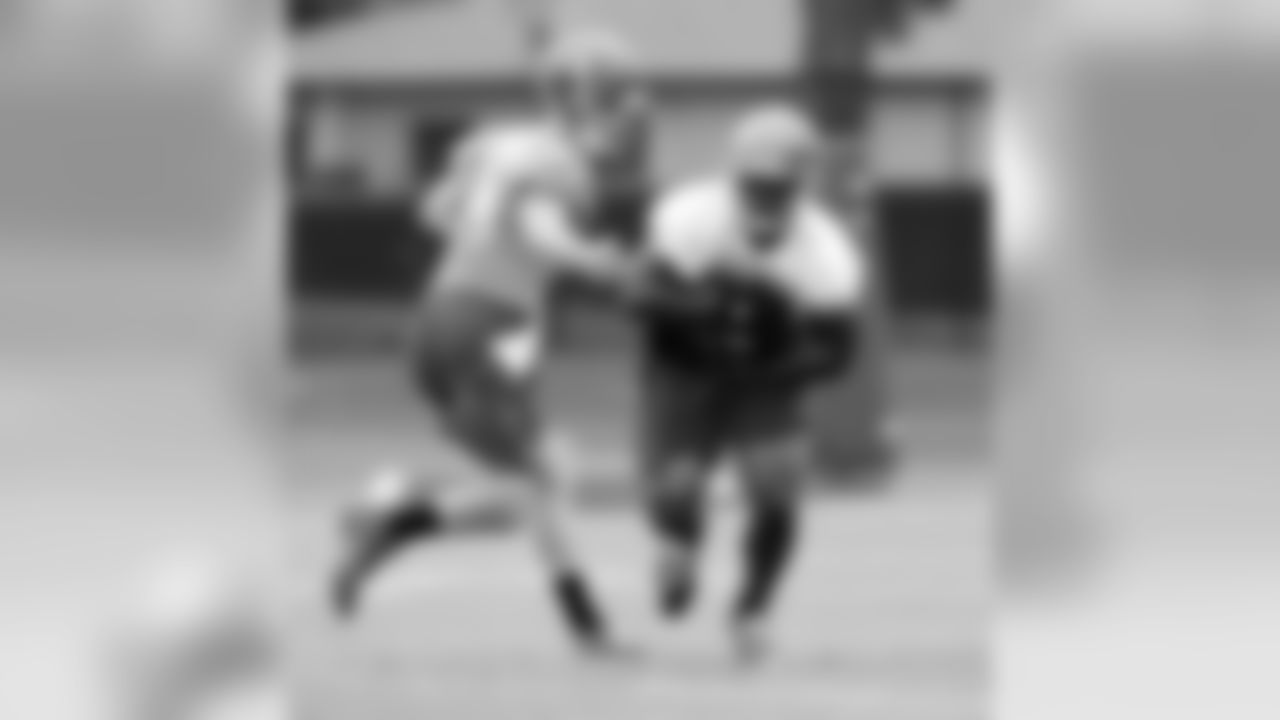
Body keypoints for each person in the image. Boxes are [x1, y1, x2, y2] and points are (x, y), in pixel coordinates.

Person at [328, 27, 650, 656]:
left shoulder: (498, 144)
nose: (628, 126)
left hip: (438, 318)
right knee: (530, 488)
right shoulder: (560, 165)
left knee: (537, 486)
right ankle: (388, 519)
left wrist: (492, 201)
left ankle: (587, 629)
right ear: (588, 104)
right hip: (493, 326)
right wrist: (593, 260)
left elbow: (434, 212)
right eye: (619, 107)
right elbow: (543, 232)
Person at [634, 103, 867, 660]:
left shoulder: (826, 252)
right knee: (676, 488)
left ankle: (752, 608)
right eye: (754, 183)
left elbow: (836, 354)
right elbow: (643, 298)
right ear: (733, 173)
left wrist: (771, 366)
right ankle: (680, 543)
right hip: (684, 366)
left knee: (776, 481)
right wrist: (707, 310)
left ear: (803, 182)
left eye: (777, 185)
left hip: (764, 377)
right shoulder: (689, 216)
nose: (764, 196)